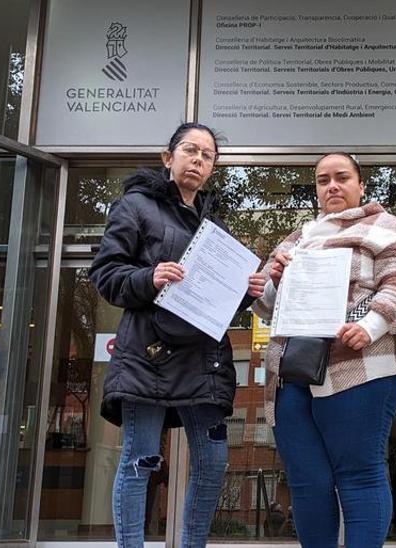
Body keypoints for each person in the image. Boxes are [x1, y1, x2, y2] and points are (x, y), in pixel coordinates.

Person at [91, 122, 268, 548]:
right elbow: (105, 275)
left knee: (213, 464)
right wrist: (150, 276)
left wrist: (248, 291)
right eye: (191, 150)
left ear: (212, 168)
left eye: (207, 155)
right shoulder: (135, 206)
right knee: (140, 460)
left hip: (204, 362)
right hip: (146, 358)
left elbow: (218, 301)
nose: (198, 160)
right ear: (168, 158)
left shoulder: (216, 227)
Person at [253, 152, 396, 548]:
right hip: (291, 373)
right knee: (307, 481)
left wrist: (370, 326)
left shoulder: (384, 226)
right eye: (322, 179)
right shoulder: (297, 239)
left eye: (341, 177)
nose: (331, 185)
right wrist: (274, 279)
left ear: (360, 185)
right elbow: (263, 306)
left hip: (361, 366)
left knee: (359, 474)